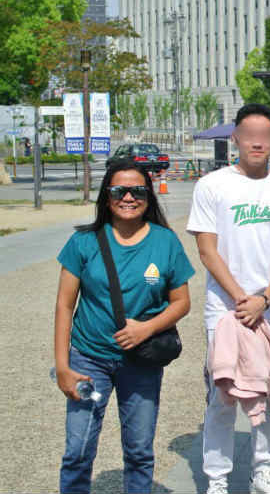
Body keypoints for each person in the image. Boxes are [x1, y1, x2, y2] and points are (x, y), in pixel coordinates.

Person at [187, 104, 270, 494]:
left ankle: (263, 472)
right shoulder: (212, 186)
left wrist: (265, 298)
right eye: (249, 133)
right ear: (235, 138)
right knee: (222, 397)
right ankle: (217, 479)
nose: (257, 141)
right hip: (224, 311)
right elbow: (207, 249)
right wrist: (243, 298)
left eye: (265, 134)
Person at [54, 158, 194, 494]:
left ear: (149, 196)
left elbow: (182, 302)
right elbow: (64, 304)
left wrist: (146, 329)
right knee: (78, 450)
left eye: (137, 191)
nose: (128, 197)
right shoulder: (84, 243)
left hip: (140, 364)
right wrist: (63, 367)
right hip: (89, 360)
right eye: (119, 190)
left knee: (140, 452)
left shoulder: (165, 241)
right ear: (106, 196)